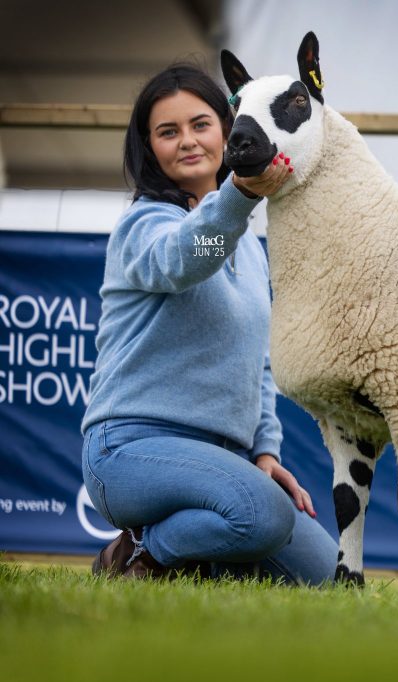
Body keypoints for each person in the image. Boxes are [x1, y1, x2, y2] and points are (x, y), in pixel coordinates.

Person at [80, 63, 337, 585]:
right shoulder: (144, 223)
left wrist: (264, 452)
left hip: (227, 458)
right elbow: (185, 259)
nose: (188, 141)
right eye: (167, 132)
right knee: (262, 516)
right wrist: (241, 195)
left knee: (327, 579)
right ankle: (139, 554)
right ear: (148, 148)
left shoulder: (247, 243)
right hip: (129, 449)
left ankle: (206, 556)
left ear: (227, 129)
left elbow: (259, 365)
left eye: (201, 124)